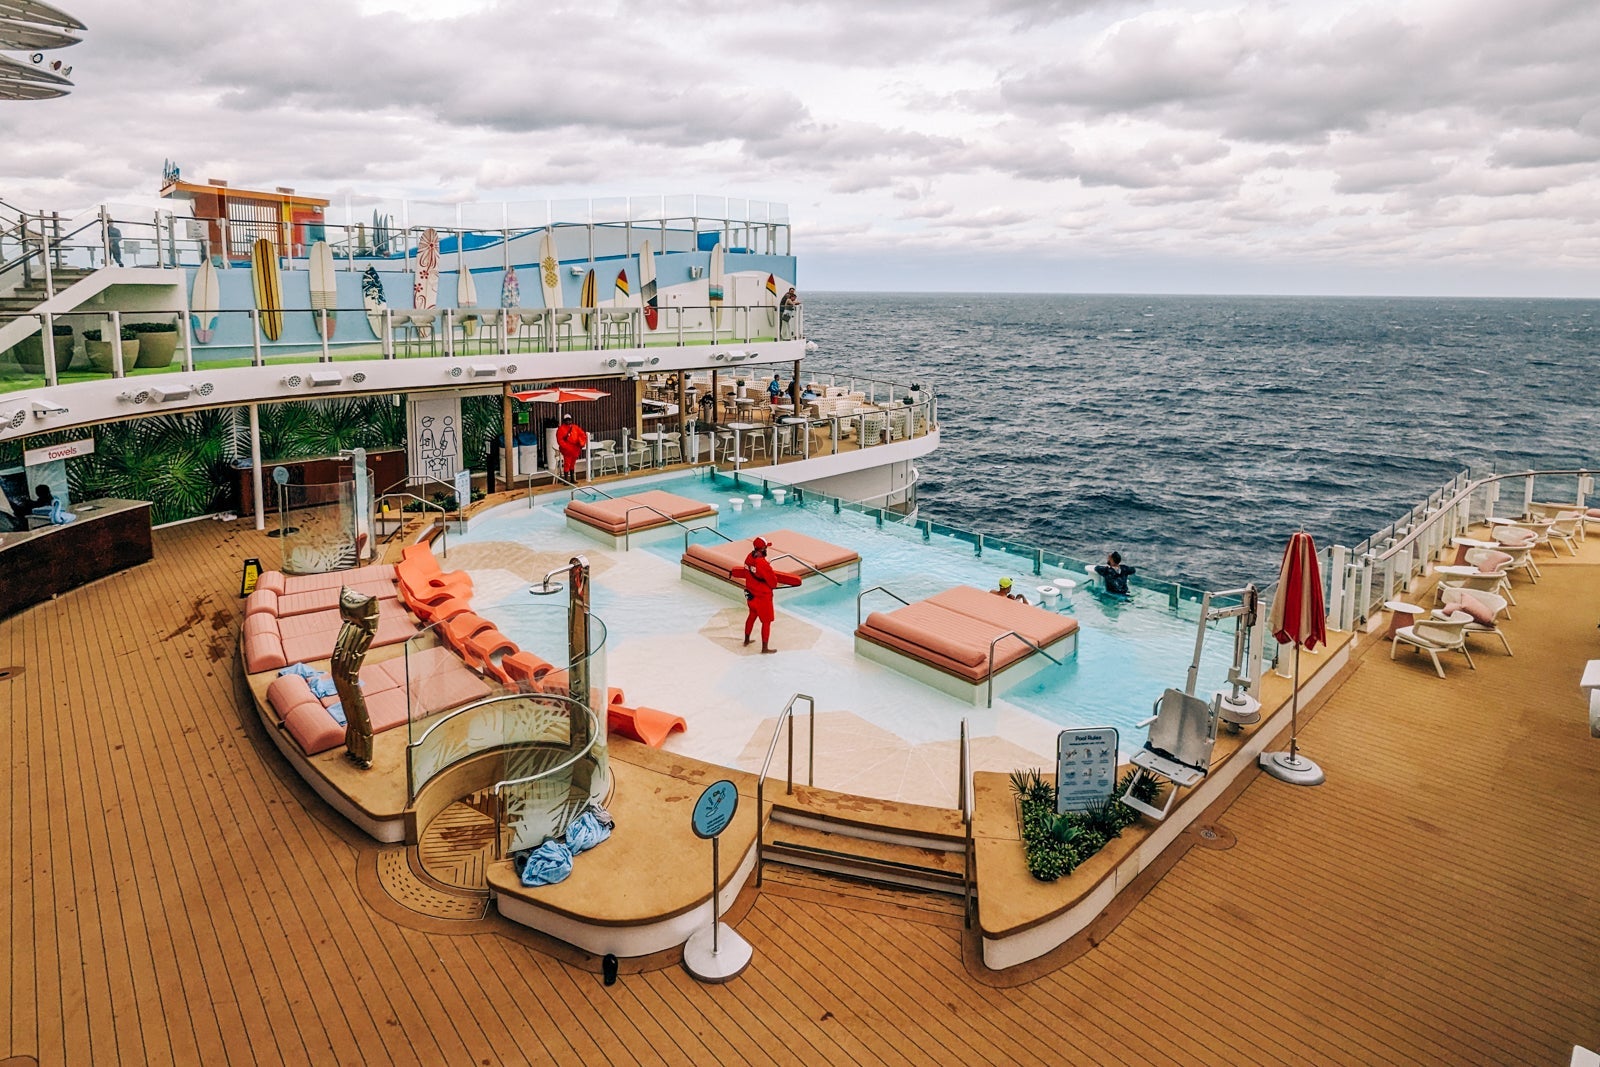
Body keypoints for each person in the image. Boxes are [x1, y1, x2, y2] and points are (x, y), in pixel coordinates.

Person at [734, 536, 801, 653]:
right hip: (762, 598)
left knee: (751, 616)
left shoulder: (748, 557)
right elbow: (773, 583)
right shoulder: (763, 564)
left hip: (750, 595)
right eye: (766, 548)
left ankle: (746, 640)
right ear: (763, 549)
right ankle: (765, 648)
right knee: (766, 622)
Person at [555, 413, 588, 480]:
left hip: (575, 449)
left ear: (571, 420)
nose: (568, 421)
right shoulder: (561, 429)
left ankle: (572, 479)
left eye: (569, 420)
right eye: (566, 420)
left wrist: (581, 443)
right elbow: (560, 440)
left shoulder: (575, 427)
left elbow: (582, 435)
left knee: (572, 463)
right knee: (567, 464)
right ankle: (566, 480)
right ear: (564, 421)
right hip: (567, 450)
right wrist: (566, 447)